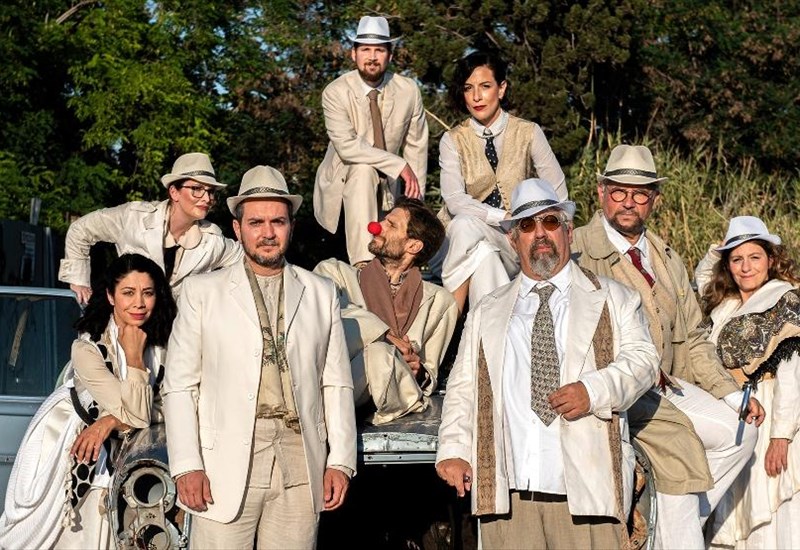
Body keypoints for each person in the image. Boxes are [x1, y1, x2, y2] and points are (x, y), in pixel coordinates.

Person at [436, 178, 659, 548]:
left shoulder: (614, 297)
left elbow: (644, 362)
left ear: (568, 231)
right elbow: (463, 388)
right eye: (527, 225)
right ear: (513, 239)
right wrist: (454, 451)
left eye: (550, 222)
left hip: (586, 488)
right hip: (510, 490)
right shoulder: (487, 310)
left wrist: (593, 391)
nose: (540, 233)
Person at [571, 144, 765, 549]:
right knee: (681, 460)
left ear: (655, 200)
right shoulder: (579, 249)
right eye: (619, 191)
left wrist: (731, 395)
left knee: (741, 433)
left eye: (640, 194)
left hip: (667, 386)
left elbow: (693, 337)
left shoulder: (666, 255)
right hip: (618, 391)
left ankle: (668, 527)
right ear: (601, 192)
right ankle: (676, 529)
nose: (628, 202)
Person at [162, 165, 357, 549]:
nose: (267, 233)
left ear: (291, 226)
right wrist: (187, 465)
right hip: (223, 464)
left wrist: (340, 461)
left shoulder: (320, 292)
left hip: (300, 460)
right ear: (237, 229)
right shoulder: (202, 292)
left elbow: (335, 382)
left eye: (277, 222)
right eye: (256, 223)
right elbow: (180, 386)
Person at [0, 254, 176, 549]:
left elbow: (165, 407)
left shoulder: (165, 344)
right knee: (70, 531)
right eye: (128, 293)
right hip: (72, 439)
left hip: (122, 442)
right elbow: (137, 415)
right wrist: (135, 359)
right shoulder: (87, 348)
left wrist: (108, 421)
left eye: (147, 293)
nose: (139, 303)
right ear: (110, 296)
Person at [696, 216, 800, 548]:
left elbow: (792, 371)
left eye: (755, 257)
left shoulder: (785, 298)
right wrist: (720, 249)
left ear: (771, 259)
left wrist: (781, 435)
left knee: (766, 498)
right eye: (736, 259)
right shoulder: (724, 305)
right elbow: (702, 275)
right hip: (731, 409)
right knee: (733, 503)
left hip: (770, 409)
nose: (745, 267)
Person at [437, 51, 567, 314]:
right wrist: (504, 217)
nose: (476, 97)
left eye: (485, 86)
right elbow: (454, 201)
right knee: (478, 247)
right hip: (463, 241)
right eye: (468, 88)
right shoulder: (452, 140)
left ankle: (448, 321)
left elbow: (558, 192)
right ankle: (491, 331)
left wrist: (550, 230)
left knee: (475, 240)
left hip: (518, 240)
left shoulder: (529, 132)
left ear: (502, 88)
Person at [314, 197, 458, 424]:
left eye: (391, 224)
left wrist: (417, 369)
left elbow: (428, 373)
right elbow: (325, 324)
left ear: (413, 246)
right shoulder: (334, 273)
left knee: (381, 355)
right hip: (339, 386)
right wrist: (386, 337)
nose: (377, 227)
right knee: (380, 352)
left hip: (396, 393)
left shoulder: (440, 302)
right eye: (384, 220)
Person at [314, 15, 428, 267]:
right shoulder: (335, 92)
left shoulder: (408, 90)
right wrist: (399, 164)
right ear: (353, 54)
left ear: (390, 55)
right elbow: (347, 147)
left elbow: (417, 147)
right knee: (363, 169)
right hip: (344, 182)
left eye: (379, 50)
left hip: (389, 186)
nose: (372, 57)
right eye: (365, 49)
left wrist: (414, 203)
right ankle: (364, 266)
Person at [59, 152, 242, 303]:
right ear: (174, 192)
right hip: (125, 326)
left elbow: (245, 258)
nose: (207, 198)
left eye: (211, 192)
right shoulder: (134, 217)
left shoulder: (213, 240)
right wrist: (78, 281)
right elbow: (80, 229)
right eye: (197, 189)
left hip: (173, 332)